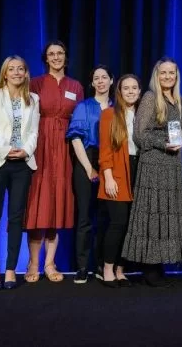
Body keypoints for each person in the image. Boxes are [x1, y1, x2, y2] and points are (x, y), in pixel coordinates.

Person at [122, 57, 182, 287]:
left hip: (173, 164)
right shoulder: (150, 97)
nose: (167, 76)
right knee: (153, 214)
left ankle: (159, 264)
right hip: (153, 164)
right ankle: (149, 268)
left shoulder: (177, 100)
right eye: (163, 72)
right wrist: (164, 143)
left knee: (167, 214)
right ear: (157, 75)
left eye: (171, 72)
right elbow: (140, 134)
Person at [25, 41, 84, 283]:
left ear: (65, 57)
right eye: (51, 54)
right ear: (46, 58)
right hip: (39, 145)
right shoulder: (35, 83)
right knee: (38, 206)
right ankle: (32, 263)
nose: (56, 57)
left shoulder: (76, 86)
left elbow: (80, 118)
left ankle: (50, 263)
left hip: (66, 147)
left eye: (60, 53)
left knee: (57, 205)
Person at [0, 56, 40, 291]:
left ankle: (12, 269)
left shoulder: (33, 98)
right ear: (5, 73)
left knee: (16, 217)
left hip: (22, 163)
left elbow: (34, 131)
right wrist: (6, 150)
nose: (16, 72)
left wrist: (25, 150)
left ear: (26, 73)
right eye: (11, 69)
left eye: (20, 69)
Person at [67, 65, 113, 284]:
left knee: (106, 217)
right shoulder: (83, 106)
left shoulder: (117, 107)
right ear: (92, 83)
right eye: (97, 78)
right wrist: (88, 168)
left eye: (104, 77)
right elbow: (75, 139)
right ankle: (83, 267)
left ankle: (103, 264)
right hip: (87, 158)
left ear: (112, 81)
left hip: (111, 163)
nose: (101, 81)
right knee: (85, 217)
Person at [97, 74, 142, 288]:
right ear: (120, 91)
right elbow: (105, 150)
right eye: (126, 88)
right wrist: (108, 177)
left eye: (134, 88)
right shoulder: (109, 114)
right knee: (118, 223)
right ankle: (107, 268)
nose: (130, 91)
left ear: (140, 91)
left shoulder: (144, 115)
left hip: (140, 171)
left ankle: (120, 270)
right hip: (117, 172)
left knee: (132, 226)